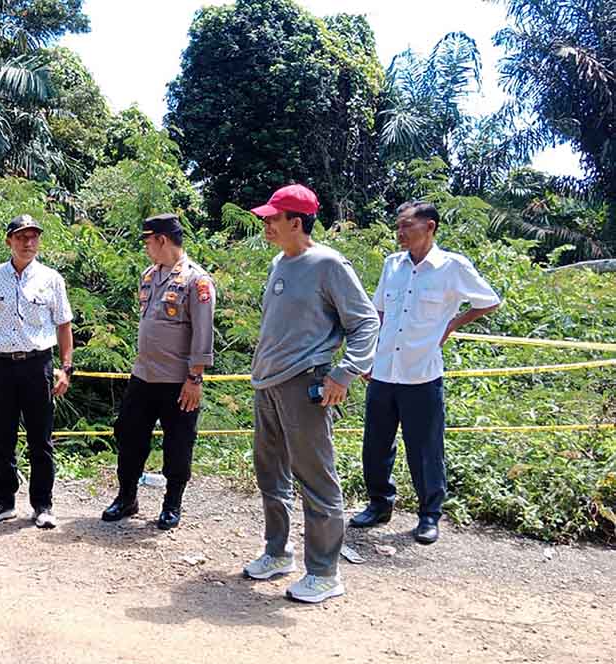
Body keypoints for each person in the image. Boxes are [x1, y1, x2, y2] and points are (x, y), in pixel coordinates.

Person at [242, 184, 379, 604]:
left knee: (316, 479)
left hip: (306, 383)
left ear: (295, 222)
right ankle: (277, 552)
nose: (266, 224)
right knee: (271, 475)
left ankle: (324, 573)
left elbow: (365, 322)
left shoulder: (329, 264)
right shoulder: (279, 263)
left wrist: (344, 372)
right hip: (267, 384)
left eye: (272, 218)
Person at [350, 201, 501, 544]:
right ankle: (379, 504)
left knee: (425, 448)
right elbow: (380, 313)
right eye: (398, 227)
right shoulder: (393, 265)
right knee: (375, 444)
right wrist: (370, 357)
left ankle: (429, 515)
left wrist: (452, 324)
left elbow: (489, 300)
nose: (400, 233)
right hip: (385, 369)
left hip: (421, 372)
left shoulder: (452, 267)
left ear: (430, 226)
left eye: (407, 226)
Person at [101, 213, 216, 530]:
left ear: (162, 240)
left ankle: (172, 504)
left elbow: (202, 334)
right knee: (128, 434)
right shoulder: (149, 276)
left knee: (178, 444)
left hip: (178, 381)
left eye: (148, 241)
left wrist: (195, 379)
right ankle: (127, 498)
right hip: (143, 376)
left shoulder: (197, 280)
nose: (146, 248)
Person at [0, 214, 74, 529]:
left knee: (40, 438)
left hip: (37, 363)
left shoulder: (51, 278)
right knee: (2, 436)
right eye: (21, 237)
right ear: (9, 241)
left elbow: (64, 323)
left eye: (33, 237)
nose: (28, 243)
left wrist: (66, 367)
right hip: (0, 366)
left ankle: (42, 505)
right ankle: (3, 501)